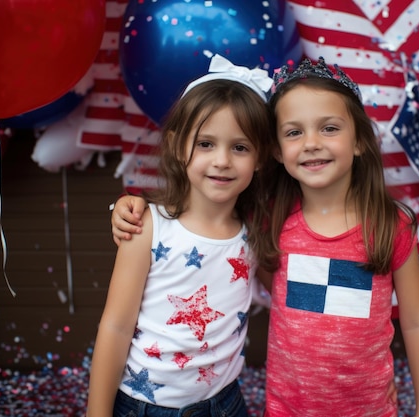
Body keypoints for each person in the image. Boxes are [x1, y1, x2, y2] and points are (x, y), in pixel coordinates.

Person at [111, 57, 419, 417]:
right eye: (294, 132)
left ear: (360, 140)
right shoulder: (269, 224)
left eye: (329, 128)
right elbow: (202, 213)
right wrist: (128, 205)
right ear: (277, 152)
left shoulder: (392, 226)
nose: (312, 143)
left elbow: (418, 321)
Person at [86, 54, 274, 417]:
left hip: (225, 404)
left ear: (261, 157)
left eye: (240, 147)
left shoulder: (253, 234)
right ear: (176, 145)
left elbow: (287, 295)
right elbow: (116, 326)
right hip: (146, 406)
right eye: (206, 144)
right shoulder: (148, 227)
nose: (222, 160)